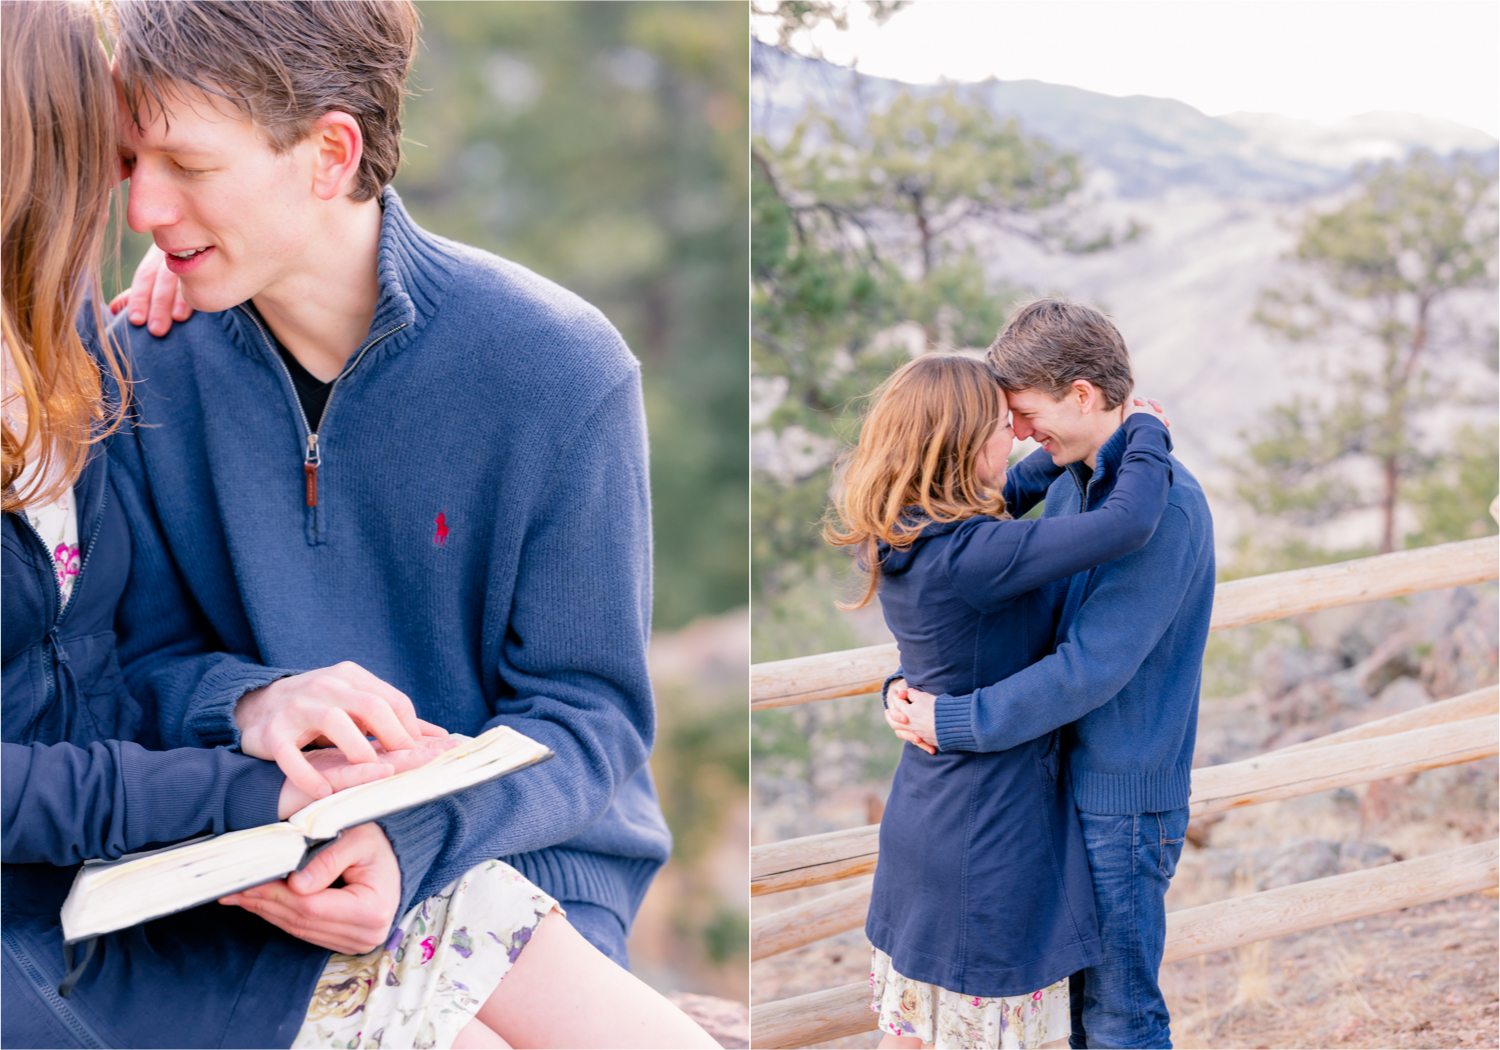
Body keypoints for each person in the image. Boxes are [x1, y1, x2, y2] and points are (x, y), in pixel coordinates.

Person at [885, 299, 1215, 1050]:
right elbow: (963, 588)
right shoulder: (1071, 481)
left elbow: (1086, 669)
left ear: (1083, 395)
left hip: (1118, 803)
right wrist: (910, 686)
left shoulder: (1166, 508)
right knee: (1070, 1023)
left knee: (1120, 1018)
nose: (1023, 433)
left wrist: (951, 719)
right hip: (1052, 787)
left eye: (1027, 414)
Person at [823, 352, 1175, 1050]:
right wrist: (1145, 430)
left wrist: (1069, 447)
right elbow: (1128, 523)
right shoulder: (976, 554)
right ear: (960, 446)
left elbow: (1009, 494)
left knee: (918, 1036)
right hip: (988, 832)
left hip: (928, 814)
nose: (1014, 436)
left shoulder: (905, 529)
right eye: (999, 425)